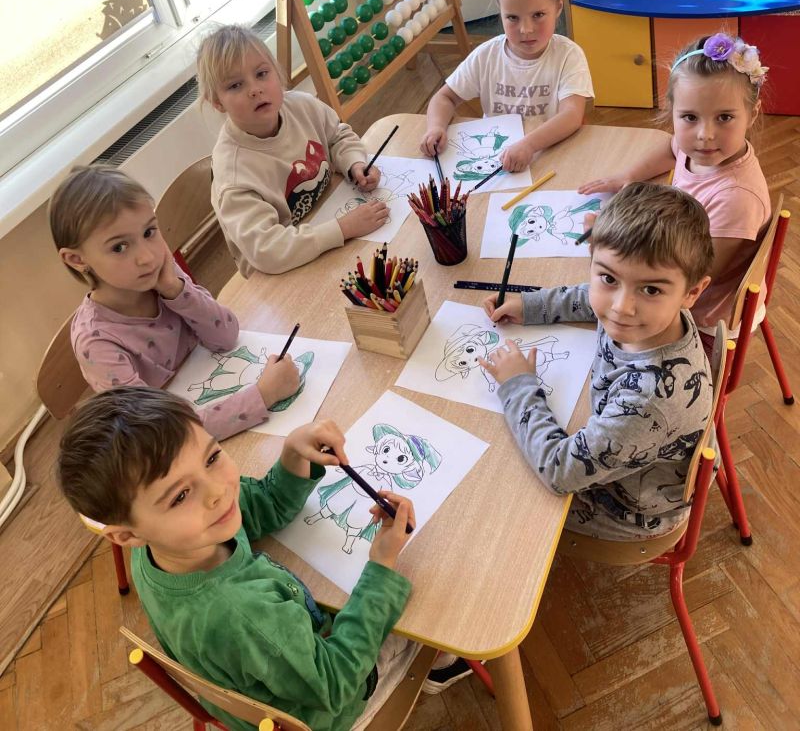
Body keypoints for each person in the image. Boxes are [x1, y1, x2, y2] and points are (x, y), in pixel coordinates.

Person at [57, 388, 464, 731]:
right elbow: (336, 682)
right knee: (436, 607)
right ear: (126, 535)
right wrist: (381, 565)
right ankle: (443, 666)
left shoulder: (164, 543)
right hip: (330, 708)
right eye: (180, 496)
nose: (217, 492)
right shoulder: (242, 615)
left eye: (212, 458)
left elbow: (261, 504)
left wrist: (293, 454)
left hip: (279, 671)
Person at [479, 183, 714, 541]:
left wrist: (517, 385)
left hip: (627, 508)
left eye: (650, 289)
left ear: (691, 293)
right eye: (609, 278)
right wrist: (532, 306)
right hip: (624, 452)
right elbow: (591, 296)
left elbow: (559, 472)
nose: (621, 307)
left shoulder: (647, 401)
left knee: (499, 498)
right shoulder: (657, 316)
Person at [50, 165, 298, 441]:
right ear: (77, 260)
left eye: (149, 232)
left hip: (215, 387)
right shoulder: (96, 343)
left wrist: (175, 290)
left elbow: (226, 336)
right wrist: (263, 395)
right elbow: (163, 432)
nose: (147, 257)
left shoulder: (159, 276)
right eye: (119, 247)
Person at [579, 33, 770, 354]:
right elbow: (672, 148)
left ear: (752, 114)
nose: (705, 135)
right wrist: (628, 176)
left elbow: (693, 277)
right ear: (673, 112)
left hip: (704, 318)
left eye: (724, 117)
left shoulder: (737, 198)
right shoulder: (698, 150)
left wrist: (607, 246)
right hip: (675, 276)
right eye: (690, 117)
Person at [198, 25, 390, 276]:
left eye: (262, 73)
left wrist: (354, 164)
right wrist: (343, 228)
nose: (255, 89)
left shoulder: (302, 106)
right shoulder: (233, 175)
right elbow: (267, 250)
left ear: (277, 73)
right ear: (217, 102)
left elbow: (337, 136)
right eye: (235, 85)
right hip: (281, 274)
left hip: (327, 225)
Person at [420, 0, 594, 171]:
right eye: (512, 17)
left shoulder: (569, 55)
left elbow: (572, 115)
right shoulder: (486, 55)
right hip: (494, 163)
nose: (526, 29)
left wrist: (529, 145)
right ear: (500, 11)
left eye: (538, 15)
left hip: (548, 156)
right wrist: (436, 127)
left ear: (558, 6)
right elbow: (445, 97)